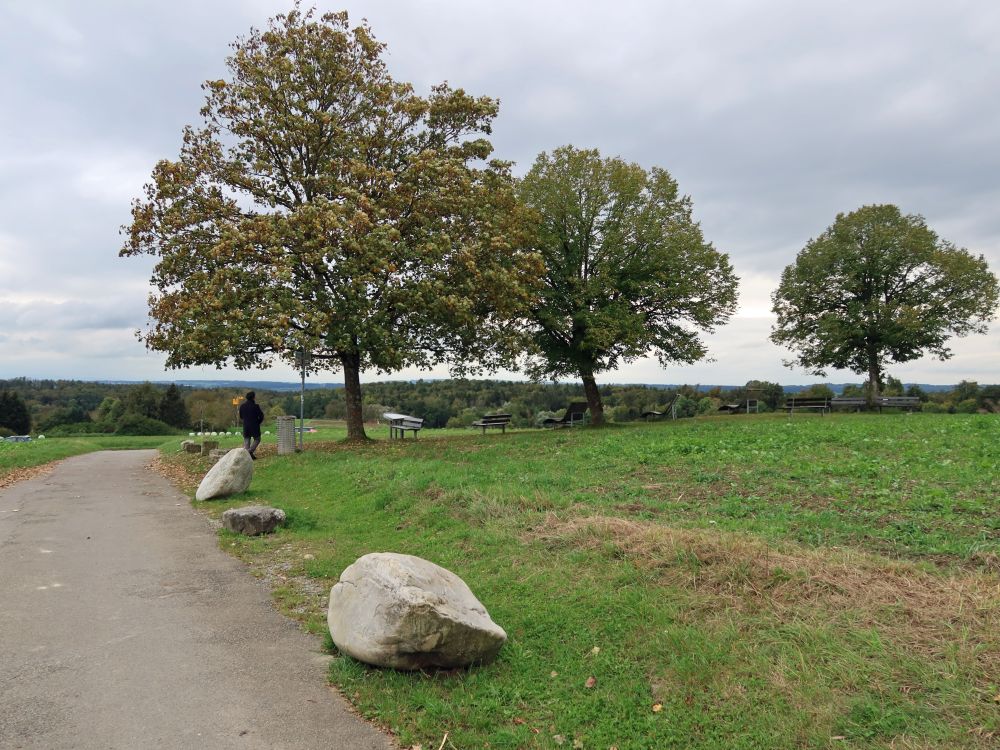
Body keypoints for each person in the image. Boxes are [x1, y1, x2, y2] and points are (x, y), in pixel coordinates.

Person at [238, 391, 265, 459]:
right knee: (257, 439)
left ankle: (247, 455)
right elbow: (261, 416)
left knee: (247, 440)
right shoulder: (256, 406)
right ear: (253, 398)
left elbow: (241, 416)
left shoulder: (242, 406)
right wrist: (258, 422)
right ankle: (249, 452)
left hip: (246, 425)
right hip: (254, 425)